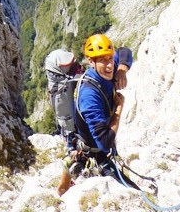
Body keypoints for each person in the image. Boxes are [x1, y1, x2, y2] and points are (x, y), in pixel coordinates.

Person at [58, 33, 140, 195]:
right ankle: (71, 169)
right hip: (94, 153)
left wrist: (122, 70)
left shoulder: (108, 70)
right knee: (135, 194)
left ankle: (67, 173)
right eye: (103, 60)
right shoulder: (89, 95)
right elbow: (105, 142)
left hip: (97, 145)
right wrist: (119, 107)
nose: (110, 65)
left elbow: (125, 52)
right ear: (91, 62)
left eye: (110, 58)